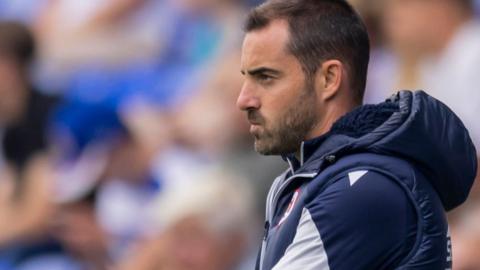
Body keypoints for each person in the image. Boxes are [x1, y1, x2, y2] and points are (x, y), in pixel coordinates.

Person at [236, 0, 477, 269]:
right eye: (246, 77)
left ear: (329, 79)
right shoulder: (304, 179)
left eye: (266, 77)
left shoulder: (363, 188)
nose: (244, 99)